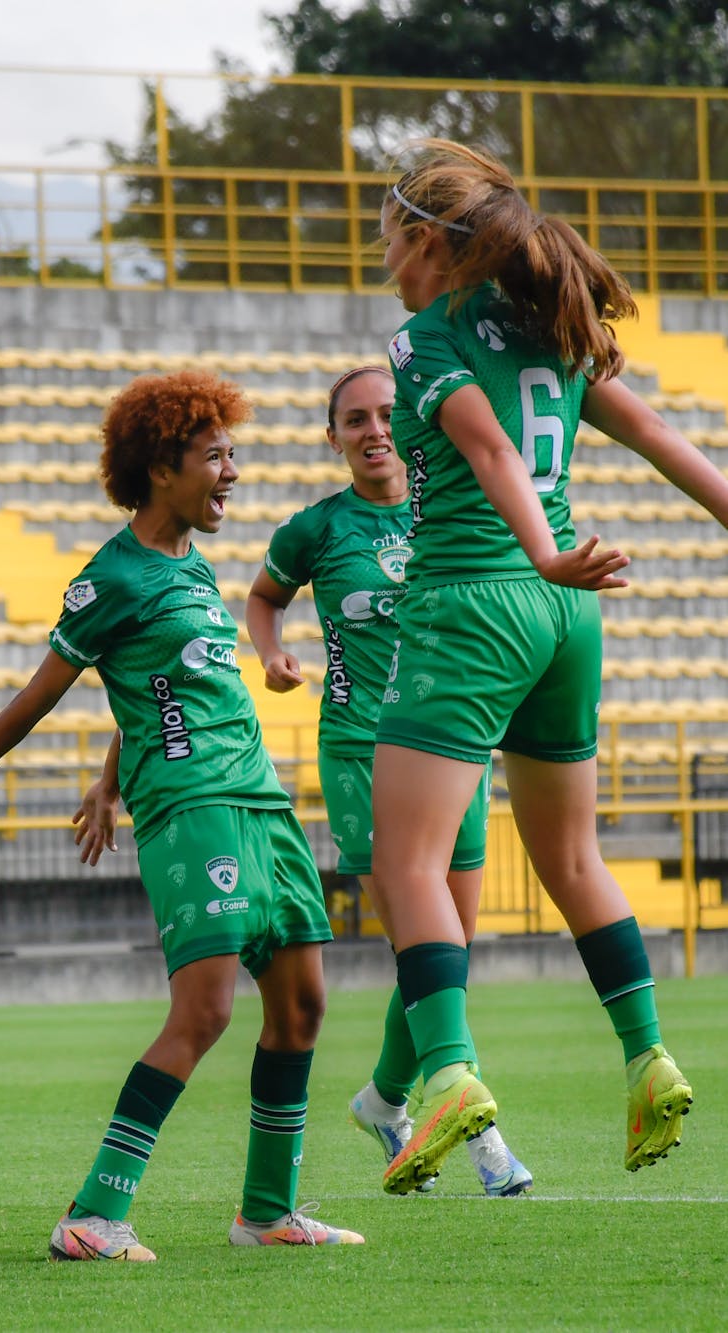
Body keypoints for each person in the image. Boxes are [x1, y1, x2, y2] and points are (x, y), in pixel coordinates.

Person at [365, 137, 728, 1195]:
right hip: (570, 621)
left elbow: (487, 449)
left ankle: (448, 1075)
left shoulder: (424, 338)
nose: (383, 248)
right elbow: (660, 432)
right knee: (573, 858)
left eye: (391, 229)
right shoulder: (555, 330)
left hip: (477, 601)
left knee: (409, 867)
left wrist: (537, 550)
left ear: (429, 239)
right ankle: (648, 1052)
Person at [0, 369, 364, 1256]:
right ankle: (92, 1214)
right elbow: (34, 700)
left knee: (302, 1005)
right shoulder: (108, 577)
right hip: (193, 810)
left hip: (263, 800)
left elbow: (159, 685)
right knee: (206, 1012)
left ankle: (267, 1213)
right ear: (161, 466)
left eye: (234, 452)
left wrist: (108, 776)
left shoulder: (193, 566)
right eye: (215, 455)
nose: (231, 471)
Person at [245, 364, 532, 1197]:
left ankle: (381, 1099)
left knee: (449, 951)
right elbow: (264, 599)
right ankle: (481, 1138)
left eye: (384, 414)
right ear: (332, 436)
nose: (373, 429)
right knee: (422, 943)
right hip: (364, 753)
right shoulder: (315, 529)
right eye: (354, 419)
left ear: (409, 423)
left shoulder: (450, 508)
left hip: (453, 744)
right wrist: (270, 653)